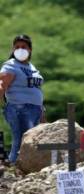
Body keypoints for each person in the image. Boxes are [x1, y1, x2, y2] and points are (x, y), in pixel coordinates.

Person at [0, 34, 44, 164]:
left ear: (30, 49)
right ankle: (13, 168)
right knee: (21, 141)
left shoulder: (31, 67)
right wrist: (4, 105)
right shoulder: (11, 65)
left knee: (31, 142)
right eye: (17, 47)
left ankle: (24, 169)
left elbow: (35, 90)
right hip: (19, 108)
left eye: (23, 47)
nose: (20, 49)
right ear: (13, 50)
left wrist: (42, 111)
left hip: (35, 109)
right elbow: (1, 85)